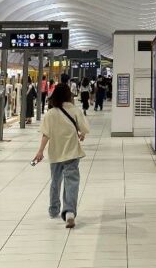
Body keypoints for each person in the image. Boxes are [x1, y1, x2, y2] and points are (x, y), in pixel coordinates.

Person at [33, 84, 90, 228]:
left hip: (55, 152)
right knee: (72, 182)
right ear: (68, 95)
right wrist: (81, 133)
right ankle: (69, 212)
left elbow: (46, 134)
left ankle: (53, 209)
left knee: (55, 180)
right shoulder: (75, 110)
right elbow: (84, 129)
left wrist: (40, 151)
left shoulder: (51, 113)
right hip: (71, 152)